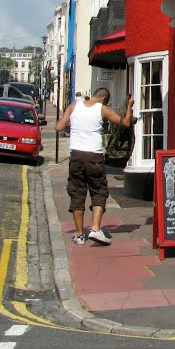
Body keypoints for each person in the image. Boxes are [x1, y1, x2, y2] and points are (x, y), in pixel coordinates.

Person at [55, 88, 134, 245]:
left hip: (76, 155)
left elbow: (58, 127)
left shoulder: (73, 106)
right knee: (98, 191)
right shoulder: (102, 109)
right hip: (94, 156)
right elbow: (125, 123)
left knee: (77, 192)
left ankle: (79, 235)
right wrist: (129, 107)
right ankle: (95, 229)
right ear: (104, 98)